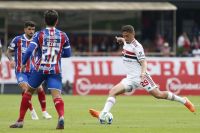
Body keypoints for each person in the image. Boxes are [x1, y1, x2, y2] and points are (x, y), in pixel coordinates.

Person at [89, 25, 196, 122]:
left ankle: (184, 101)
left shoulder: (137, 47)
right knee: (113, 91)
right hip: (130, 78)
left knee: (158, 95)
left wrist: (143, 73)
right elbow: (125, 41)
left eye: (127, 36)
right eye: (124, 36)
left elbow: (144, 62)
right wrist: (121, 39)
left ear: (133, 34)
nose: (125, 38)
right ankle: (103, 114)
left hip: (141, 77)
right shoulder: (126, 41)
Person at [9, 10, 71, 129]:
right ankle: (61, 117)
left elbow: (29, 50)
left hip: (40, 68)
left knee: (28, 92)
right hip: (55, 69)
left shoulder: (39, 34)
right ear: (57, 21)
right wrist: (55, 53)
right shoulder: (63, 35)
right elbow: (68, 53)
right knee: (57, 96)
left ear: (44, 21)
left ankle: (20, 121)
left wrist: (23, 63)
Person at [6, 21, 52, 121]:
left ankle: (44, 112)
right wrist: (11, 60)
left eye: (33, 29)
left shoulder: (37, 40)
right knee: (26, 90)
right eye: (29, 29)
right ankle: (32, 110)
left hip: (33, 70)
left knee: (40, 89)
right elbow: (8, 52)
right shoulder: (18, 39)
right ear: (25, 29)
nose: (31, 31)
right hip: (21, 71)